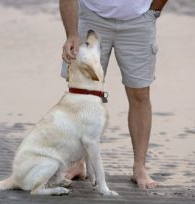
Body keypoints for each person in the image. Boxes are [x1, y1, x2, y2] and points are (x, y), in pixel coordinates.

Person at [59, 0, 168, 189]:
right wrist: (71, 34)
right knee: (83, 94)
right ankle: (77, 164)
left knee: (140, 93)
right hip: (93, 17)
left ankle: (139, 167)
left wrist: (154, 10)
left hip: (139, 20)